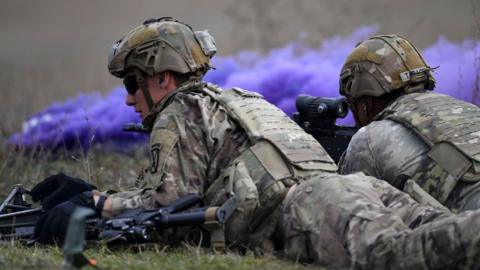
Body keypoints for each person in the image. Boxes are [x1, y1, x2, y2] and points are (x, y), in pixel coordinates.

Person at [30, 19, 480, 268]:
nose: (128, 97)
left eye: (133, 82)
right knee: (441, 231)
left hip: (310, 210)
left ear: (163, 77)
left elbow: (164, 207)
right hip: (350, 189)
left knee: (407, 254)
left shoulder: (178, 112)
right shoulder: (237, 100)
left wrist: (92, 203)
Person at [338, 34, 480, 212]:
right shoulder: (468, 109)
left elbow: (351, 219)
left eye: (353, 103)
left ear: (366, 102)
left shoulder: (368, 140)